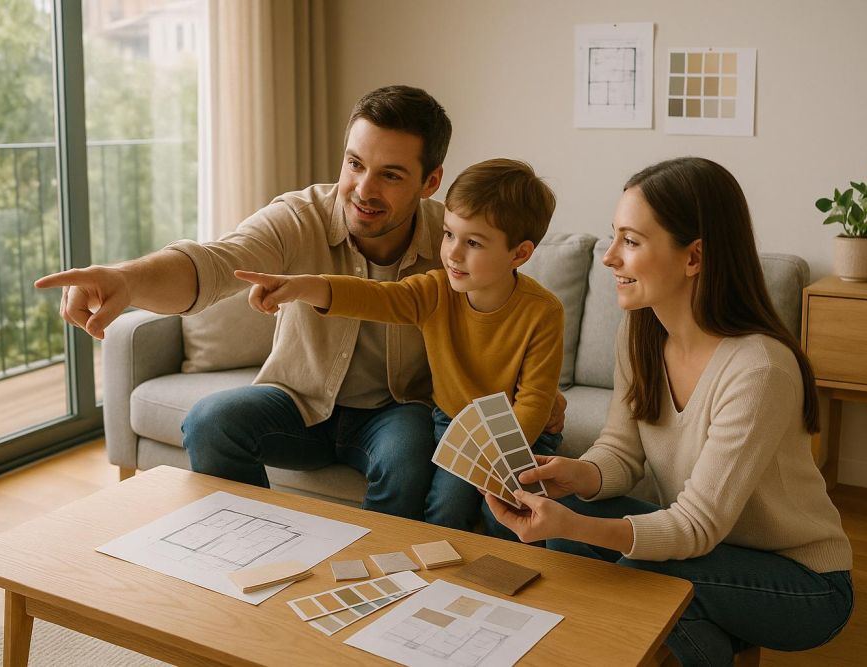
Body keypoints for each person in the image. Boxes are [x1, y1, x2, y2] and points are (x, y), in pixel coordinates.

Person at [35, 85, 563, 521]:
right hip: (299, 401)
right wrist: (128, 279)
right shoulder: (299, 217)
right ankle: (251, 546)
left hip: (395, 411)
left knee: (406, 462)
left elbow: (502, 321)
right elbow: (217, 262)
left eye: (391, 175)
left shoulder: (455, 243)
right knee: (210, 420)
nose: (363, 188)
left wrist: (529, 409)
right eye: (355, 163)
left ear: (430, 182)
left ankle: (380, 581)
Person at [484, 157, 854, 666]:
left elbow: (697, 525)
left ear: (694, 257)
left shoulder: (759, 369)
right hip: (712, 555)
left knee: (627, 561)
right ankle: (711, 642)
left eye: (631, 241)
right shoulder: (639, 335)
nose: (609, 257)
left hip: (800, 582)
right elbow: (621, 452)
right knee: (575, 535)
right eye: (614, 237)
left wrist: (572, 525)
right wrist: (578, 474)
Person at [235, 158, 564, 537]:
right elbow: (374, 297)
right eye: (448, 235)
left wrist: (492, 464)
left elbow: (535, 403)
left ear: (519, 254)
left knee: (505, 520)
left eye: (472, 243)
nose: (453, 254)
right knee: (444, 512)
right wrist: (301, 286)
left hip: (518, 435)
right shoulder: (436, 290)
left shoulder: (544, 311)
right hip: (456, 427)